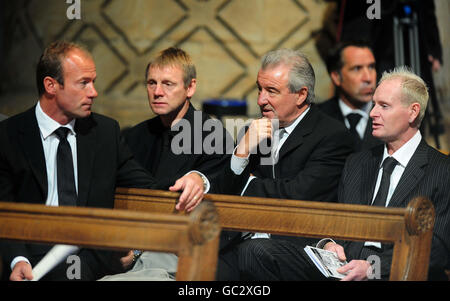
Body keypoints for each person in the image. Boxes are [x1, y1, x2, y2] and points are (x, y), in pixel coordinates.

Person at [0, 41, 205, 281]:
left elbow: (149, 192)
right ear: (51, 86)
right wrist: (18, 260)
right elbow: (4, 210)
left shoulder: (104, 133)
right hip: (30, 256)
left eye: (93, 82)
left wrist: (196, 178)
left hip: (88, 257)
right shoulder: (9, 136)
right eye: (84, 83)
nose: (94, 92)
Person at [236, 67, 450, 281]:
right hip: (342, 267)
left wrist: (371, 269)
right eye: (374, 104)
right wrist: (327, 243)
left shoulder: (442, 170)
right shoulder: (358, 162)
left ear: (413, 112)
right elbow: (334, 220)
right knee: (255, 250)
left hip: (393, 272)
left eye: (384, 106)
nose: (373, 112)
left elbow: (437, 249)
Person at [215, 48, 354, 280]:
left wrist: (248, 185)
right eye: (259, 89)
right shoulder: (254, 132)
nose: (261, 100)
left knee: (252, 253)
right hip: (242, 237)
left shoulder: (332, 135)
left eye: (271, 91)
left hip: (296, 246)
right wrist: (241, 152)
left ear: (300, 95)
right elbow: (224, 195)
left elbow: (298, 195)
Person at [99, 47, 233, 281]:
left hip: (183, 251)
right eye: (151, 83)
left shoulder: (213, 137)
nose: (157, 92)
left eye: (168, 84)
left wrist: (137, 249)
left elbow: (218, 200)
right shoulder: (133, 137)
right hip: (126, 247)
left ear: (190, 87)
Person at [319, 41, 382, 151]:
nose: (368, 78)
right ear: (336, 77)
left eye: (371, 67)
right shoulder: (317, 118)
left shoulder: (394, 115)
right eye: (357, 68)